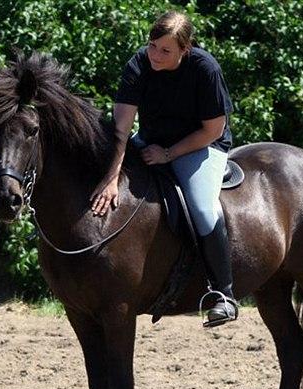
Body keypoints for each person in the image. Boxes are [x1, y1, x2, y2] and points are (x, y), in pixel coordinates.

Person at [89, 10, 238, 327]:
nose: (155, 55)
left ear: (185, 49)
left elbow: (212, 129)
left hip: (201, 145)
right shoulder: (139, 63)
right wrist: (111, 177)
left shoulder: (204, 68)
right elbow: (121, 127)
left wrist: (169, 153)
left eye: (165, 50)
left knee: (201, 207)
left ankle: (223, 294)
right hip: (150, 143)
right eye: (152, 46)